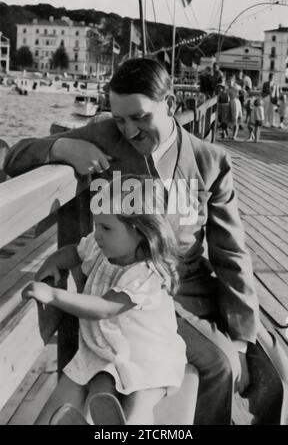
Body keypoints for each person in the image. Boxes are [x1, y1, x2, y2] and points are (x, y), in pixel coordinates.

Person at [4, 58, 288, 425]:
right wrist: (61, 149)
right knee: (220, 365)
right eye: (120, 118)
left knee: (270, 368)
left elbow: (231, 254)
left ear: (169, 102)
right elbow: (14, 156)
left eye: (140, 117)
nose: (130, 130)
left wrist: (242, 335)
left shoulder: (209, 161)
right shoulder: (106, 136)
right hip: (130, 293)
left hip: (192, 287)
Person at [22, 174, 187, 425]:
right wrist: (51, 264)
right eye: (96, 225)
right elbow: (73, 253)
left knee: (140, 400)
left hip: (150, 357)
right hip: (109, 350)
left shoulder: (145, 273)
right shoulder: (101, 248)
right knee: (101, 385)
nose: (97, 234)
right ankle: (96, 423)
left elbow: (104, 308)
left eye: (106, 228)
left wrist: (54, 295)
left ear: (141, 231)